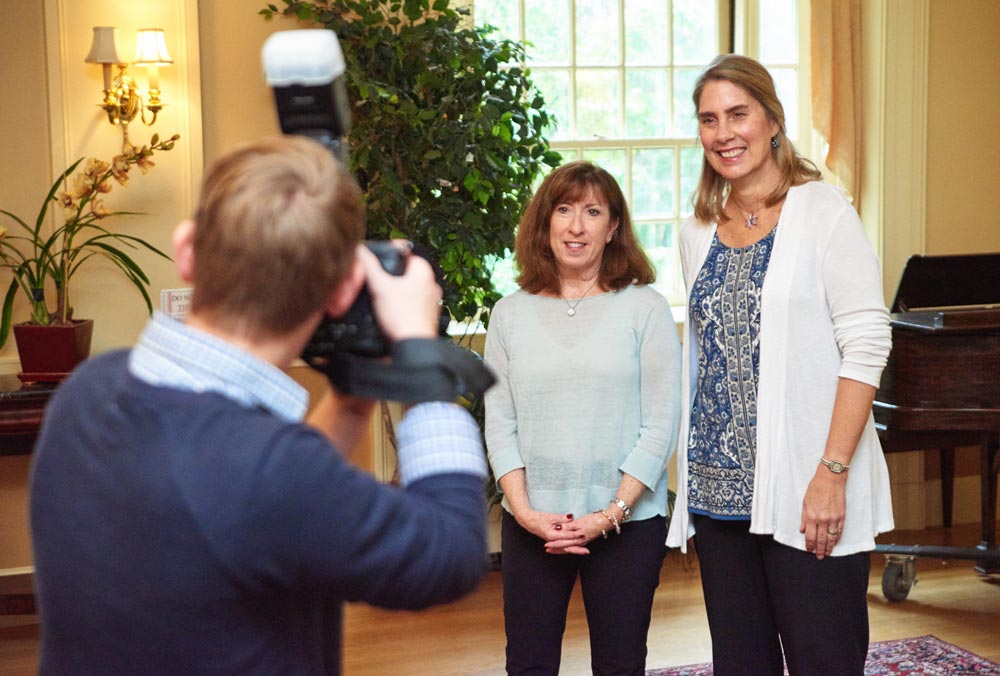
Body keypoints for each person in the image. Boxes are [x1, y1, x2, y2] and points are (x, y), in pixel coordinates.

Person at [29, 135, 489, 676]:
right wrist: (421, 355)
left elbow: (257, 499)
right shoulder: (268, 474)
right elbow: (451, 553)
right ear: (341, 292)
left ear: (186, 251)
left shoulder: (86, 392)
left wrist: (352, 397)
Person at [664, 54, 894, 675]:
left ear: (772, 120)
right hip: (717, 493)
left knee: (826, 658)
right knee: (741, 664)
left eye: (738, 114)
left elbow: (868, 344)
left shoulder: (824, 213)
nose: (724, 133)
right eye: (709, 120)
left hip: (803, 486)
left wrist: (832, 473)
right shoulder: (697, 231)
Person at [485, 160, 682, 676]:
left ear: (613, 227)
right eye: (564, 210)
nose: (576, 226)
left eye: (592, 212)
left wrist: (611, 513)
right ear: (544, 223)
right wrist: (525, 512)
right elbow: (499, 421)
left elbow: (661, 424)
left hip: (627, 525)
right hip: (533, 525)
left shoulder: (646, 308)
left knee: (620, 665)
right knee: (527, 666)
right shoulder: (508, 314)